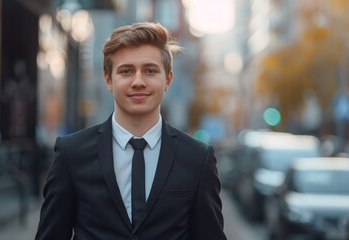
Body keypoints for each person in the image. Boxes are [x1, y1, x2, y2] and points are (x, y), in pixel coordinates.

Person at [35, 22, 226, 240]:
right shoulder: (71, 153)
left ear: (168, 79)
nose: (138, 81)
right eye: (126, 71)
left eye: (150, 70)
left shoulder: (198, 158)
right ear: (108, 79)